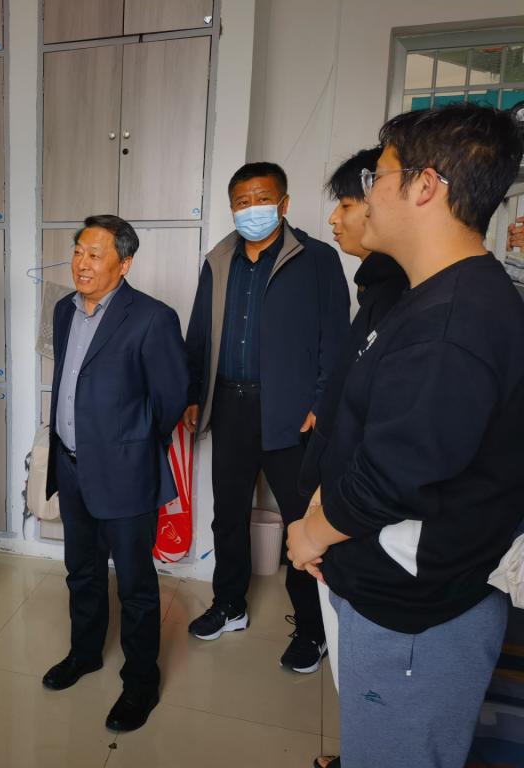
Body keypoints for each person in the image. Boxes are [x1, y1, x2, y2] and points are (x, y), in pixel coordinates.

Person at [288, 103, 524, 768]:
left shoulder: (453, 324)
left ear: (425, 186)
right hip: (393, 594)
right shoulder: (430, 297)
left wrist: (313, 532)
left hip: (416, 617)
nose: (367, 193)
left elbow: (391, 477)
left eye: (378, 175)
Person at [184, 162, 349, 674]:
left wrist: (320, 403)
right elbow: (199, 332)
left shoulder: (317, 259)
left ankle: (313, 629)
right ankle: (229, 604)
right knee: (228, 512)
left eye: (261, 199)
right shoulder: (218, 260)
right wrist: (193, 393)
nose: (251, 209)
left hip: (290, 412)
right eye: (241, 202)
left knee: (302, 522)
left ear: (283, 203)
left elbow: (336, 339)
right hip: (230, 405)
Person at [43, 214, 189, 732]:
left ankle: (140, 682)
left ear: (124, 264)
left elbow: (171, 398)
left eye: (95, 254)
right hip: (71, 466)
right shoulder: (64, 309)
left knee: (135, 585)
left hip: (126, 472)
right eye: (78, 251)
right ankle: (84, 653)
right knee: (81, 571)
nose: (81, 263)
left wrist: (131, 444)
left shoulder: (152, 318)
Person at [299, 146, 408, 768]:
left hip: (361, 530)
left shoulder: (409, 299)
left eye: (346, 203)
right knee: (359, 675)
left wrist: (319, 526)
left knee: (375, 681)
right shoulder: (374, 289)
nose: (335, 219)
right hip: (339, 515)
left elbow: (395, 453)